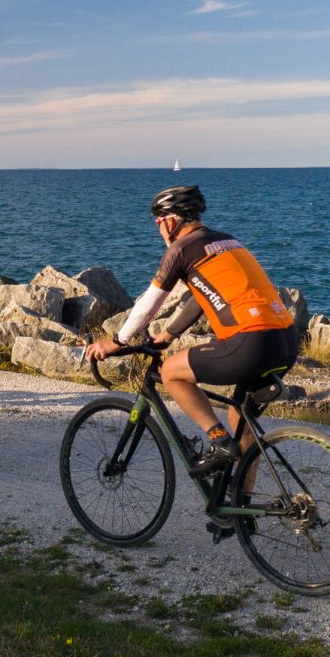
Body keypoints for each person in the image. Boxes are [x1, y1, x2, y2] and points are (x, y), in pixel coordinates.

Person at [86, 185, 297, 475]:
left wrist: (116, 342)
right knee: (240, 420)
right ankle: (239, 513)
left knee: (171, 371)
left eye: (158, 224)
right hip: (285, 340)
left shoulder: (181, 248)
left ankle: (217, 439)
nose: (159, 230)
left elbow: (150, 302)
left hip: (250, 341)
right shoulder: (226, 240)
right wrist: (169, 334)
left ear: (170, 221)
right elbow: (203, 296)